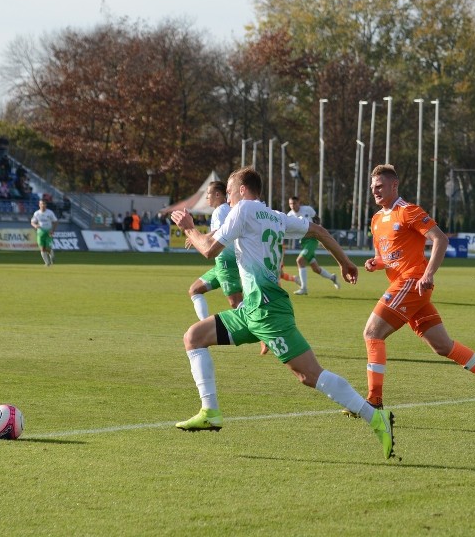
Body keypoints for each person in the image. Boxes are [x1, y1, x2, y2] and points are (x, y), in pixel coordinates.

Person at [170, 167, 396, 460]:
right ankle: (210, 411)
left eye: (228, 191)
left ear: (241, 190)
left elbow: (209, 250)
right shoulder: (274, 216)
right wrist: (344, 262)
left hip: (266, 311)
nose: (226, 197)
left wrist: (189, 226)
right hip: (251, 309)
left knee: (310, 374)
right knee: (194, 337)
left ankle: (375, 417)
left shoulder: (244, 209)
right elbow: (318, 230)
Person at [358, 164, 475, 413]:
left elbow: (440, 239)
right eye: (372, 187)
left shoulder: (408, 211)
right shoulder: (376, 220)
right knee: (442, 346)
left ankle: (374, 400)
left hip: (412, 281)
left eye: (380, 186)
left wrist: (428, 273)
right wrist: (374, 263)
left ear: (394, 185)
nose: (375, 191)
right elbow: (385, 257)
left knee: (372, 333)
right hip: (407, 288)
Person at [187, 181, 243, 320]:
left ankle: (265, 328)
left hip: (226, 263)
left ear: (217, 194)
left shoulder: (220, 211)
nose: (207, 198)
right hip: (221, 265)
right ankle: (204, 330)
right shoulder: (226, 209)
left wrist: (198, 238)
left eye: (208, 194)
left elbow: (219, 232)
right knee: (194, 290)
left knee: (237, 304)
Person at [287, 196, 340, 295]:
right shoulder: (289, 215)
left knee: (300, 260)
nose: (292, 206)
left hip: (312, 239)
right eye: (290, 204)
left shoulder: (307, 209)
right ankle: (332, 277)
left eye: (294, 203)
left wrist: (320, 232)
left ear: (299, 202)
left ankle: (304, 288)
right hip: (303, 242)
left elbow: (316, 219)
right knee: (316, 269)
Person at [31, 199, 58, 266]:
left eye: (44, 204)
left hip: (48, 232)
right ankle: (47, 263)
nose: (43, 205)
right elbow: (32, 222)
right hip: (40, 232)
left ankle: (51, 253)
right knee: (42, 248)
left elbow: (55, 222)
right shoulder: (37, 213)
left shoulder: (50, 212)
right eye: (41, 204)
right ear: (39, 205)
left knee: (48, 248)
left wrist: (52, 230)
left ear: (46, 205)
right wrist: (35, 225)